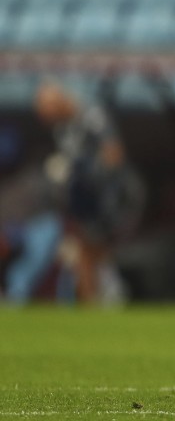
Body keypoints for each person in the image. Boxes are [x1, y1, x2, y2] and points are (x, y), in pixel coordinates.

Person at [34, 80, 146, 302]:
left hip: (107, 196)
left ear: (59, 102)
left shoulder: (91, 116)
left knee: (98, 250)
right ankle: (91, 305)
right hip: (81, 200)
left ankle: (111, 294)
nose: (45, 117)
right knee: (81, 251)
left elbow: (114, 154)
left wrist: (91, 173)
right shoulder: (62, 129)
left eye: (47, 110)